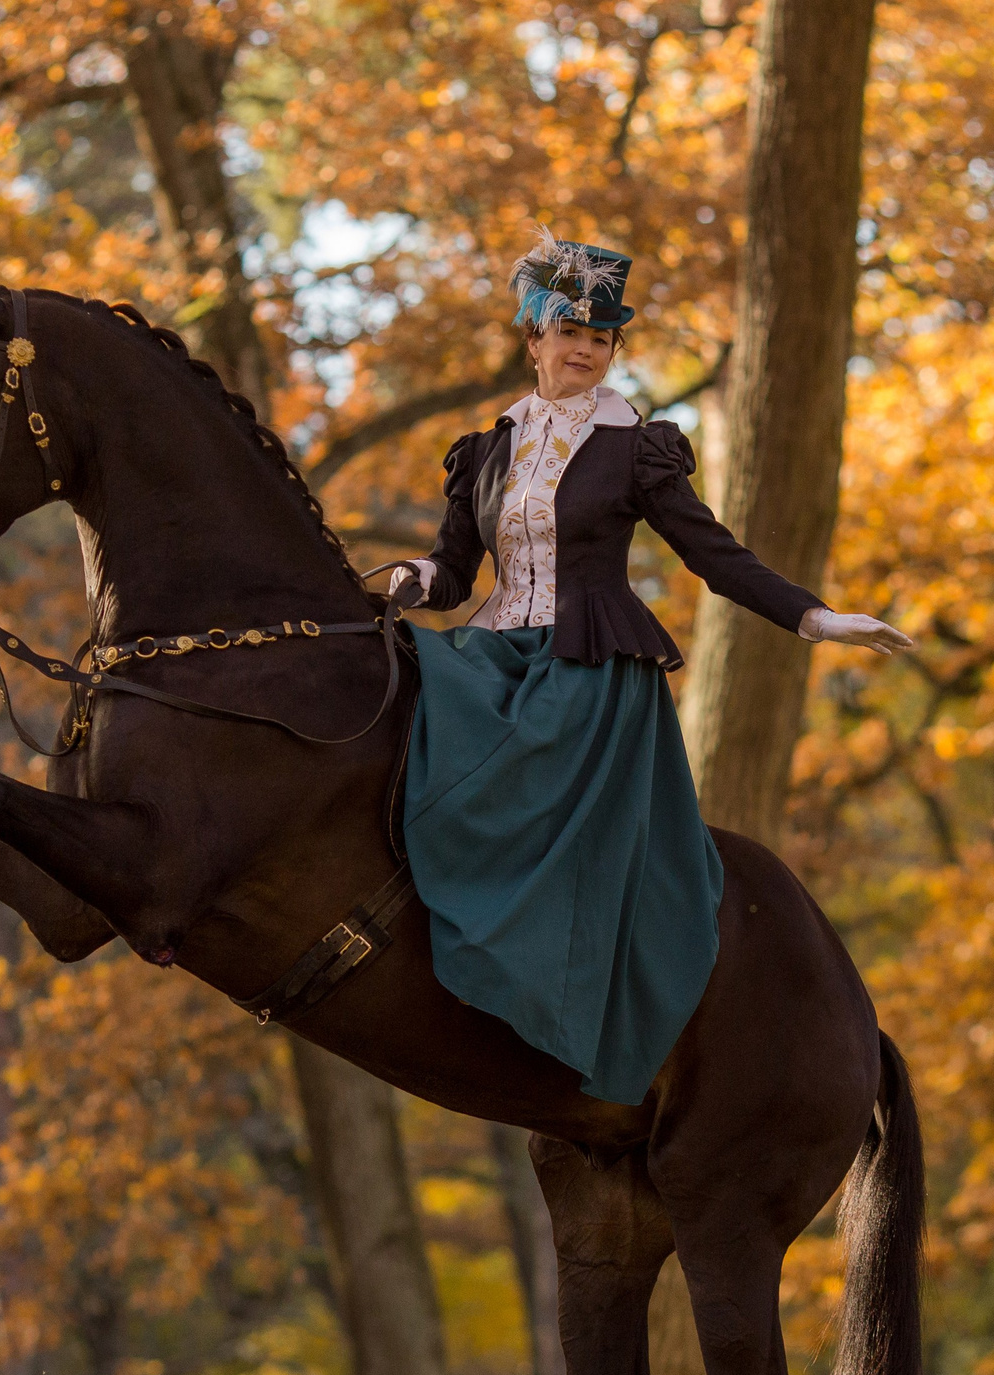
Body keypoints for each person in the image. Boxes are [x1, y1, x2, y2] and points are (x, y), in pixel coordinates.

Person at [380, 232, 912, 1106]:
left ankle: (549, 987)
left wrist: (815, 618)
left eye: (602, 338)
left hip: (587, 675)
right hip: (497, 650)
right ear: (534, 339)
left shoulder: (635, 447)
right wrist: (406, 579)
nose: (586, 349)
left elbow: (714, 554)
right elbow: (452, 571)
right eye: (569, 332)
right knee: (408, 694)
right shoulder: (487, 449)